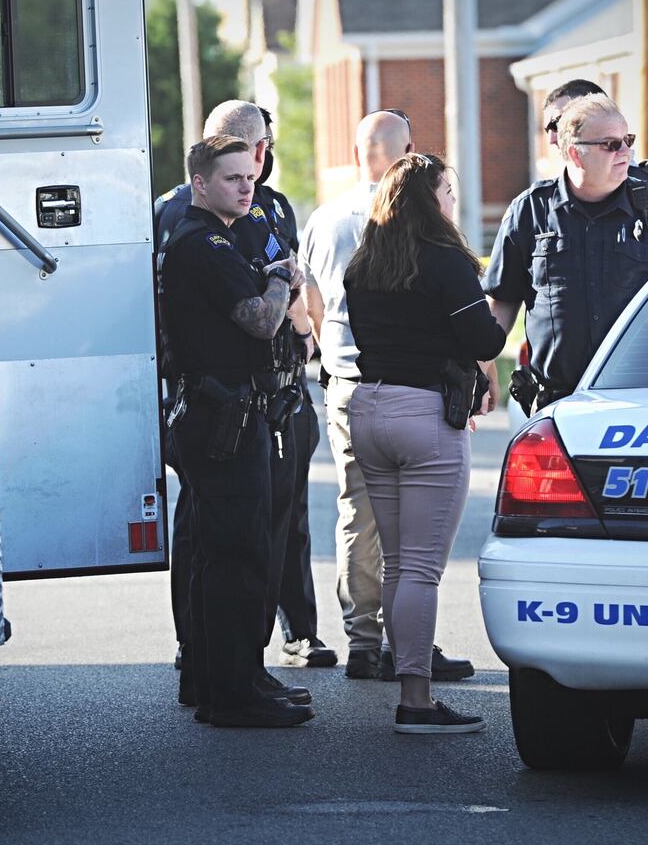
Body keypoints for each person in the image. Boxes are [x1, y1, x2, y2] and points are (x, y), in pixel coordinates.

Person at [157, 102, 335, 675]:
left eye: (259, 147)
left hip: (280, 384)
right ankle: (205, 651)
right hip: (215, 393)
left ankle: (291, 633)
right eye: (239, 148)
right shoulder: (177, 214)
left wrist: (309, 334)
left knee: (282, 518)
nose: (253, 162)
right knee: (211, 533)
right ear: (208, 152)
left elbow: (296, 275)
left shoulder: (273, 204)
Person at [300, 110, 477, 683]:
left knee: (358, 514)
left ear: (356, 152)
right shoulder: (418, 224)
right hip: (416, 386)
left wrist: (333, 359)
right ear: (411, 152)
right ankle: (410, 652)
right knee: (413, 542)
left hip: (348, 386)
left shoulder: (324, 219)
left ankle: (362, 641)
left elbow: (313, 303)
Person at [342, 152, 505, 733]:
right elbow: (484, 336)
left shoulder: (364, 265)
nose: (453, 202)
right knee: (421, 570)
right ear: (431, 200)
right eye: (449, 191)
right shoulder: (445, 262)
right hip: (424, 415)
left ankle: (408, 680)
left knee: (396, 564)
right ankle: (415, 699)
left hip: (369, 406)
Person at [484, 94, 648, 414]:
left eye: (627, 140)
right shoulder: (530, 210)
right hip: (556, 403)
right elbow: (502, 300)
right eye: (611, 145)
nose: (626, 152)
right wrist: (481, 365)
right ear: (575, 153)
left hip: (641, 400)